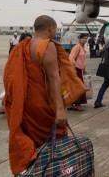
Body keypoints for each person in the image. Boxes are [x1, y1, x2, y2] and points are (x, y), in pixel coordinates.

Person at [4, 16, 70, 175]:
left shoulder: (21, 47)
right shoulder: (47, 46)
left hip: (25, 105)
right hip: (41, 107)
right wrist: (60, 109)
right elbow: (54, 77)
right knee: (53, 142)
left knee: (34, 146)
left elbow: (10, 79)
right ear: (51, 28)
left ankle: (37, 171)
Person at [0, 32, 33, 115]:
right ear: (21, 40)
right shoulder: (15, 50)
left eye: (30, 41)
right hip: (15, 75)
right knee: (13, 93)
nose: (28, 42)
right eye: (26, 40)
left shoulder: (31, 50)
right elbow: (11, 65)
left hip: (26, 76)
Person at [68, 33, 88, 111]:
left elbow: (82, 60)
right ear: (79, 39)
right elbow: (71, 58)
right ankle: (77, 104)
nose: (85, 40)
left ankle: (70, 103)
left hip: (79, 70)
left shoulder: (82, 48)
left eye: (86, 38)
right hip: (75, 70)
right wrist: (73, 69)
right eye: (83, 38)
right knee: (79, 87)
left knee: (75, 87)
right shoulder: (76, 47)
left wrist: (84, 69)